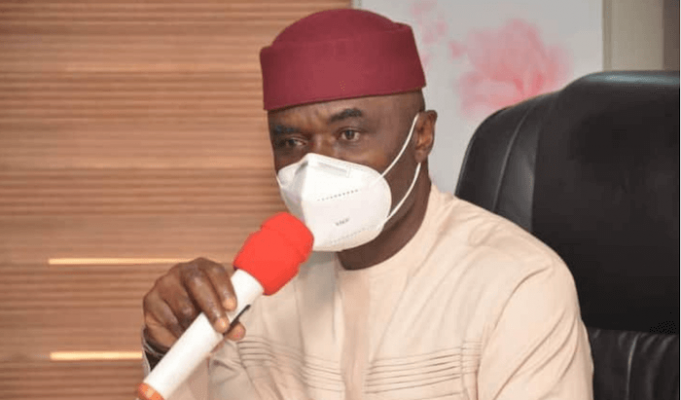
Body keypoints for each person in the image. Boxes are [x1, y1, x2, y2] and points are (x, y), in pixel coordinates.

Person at [140, 8, 594, 400]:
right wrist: (172, 348)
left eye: (349, 134)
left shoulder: (518, 285)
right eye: (292, 142)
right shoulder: (263, 288)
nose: (316, 165)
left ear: (422, 136)